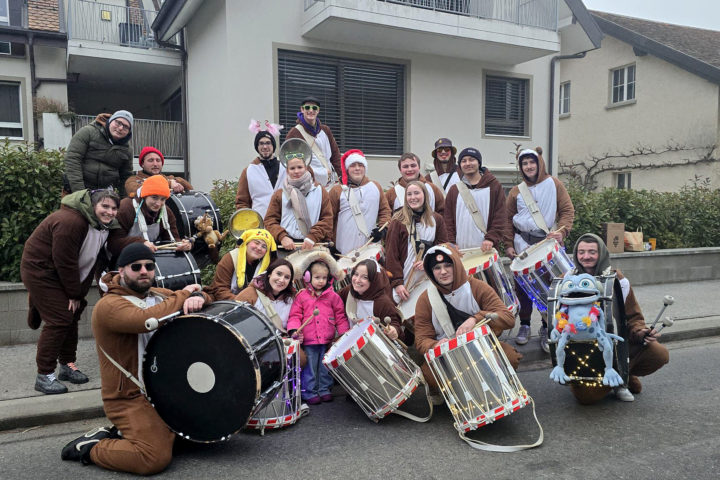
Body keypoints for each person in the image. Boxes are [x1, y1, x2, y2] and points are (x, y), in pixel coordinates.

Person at [60, 243, 209, 474]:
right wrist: (186, 293)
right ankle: (92, 447)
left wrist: (198, 295)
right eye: (136, 266)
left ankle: (122, 434)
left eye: (149, 266)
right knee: (154, 457)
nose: (143, 271)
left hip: (163, 389)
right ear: (121, 271)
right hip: (128, 397)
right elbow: (145, 319)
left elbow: (210, 292)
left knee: (206, 432)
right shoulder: (108, 305)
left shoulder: (157, 295)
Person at [21, 188, 121, 394]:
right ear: (92, 206)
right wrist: (73, 294)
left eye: (114, 208)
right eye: (105, 206)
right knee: (59, 318)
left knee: (72, 314)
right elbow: (64, 262)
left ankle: (67, 365)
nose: (110, 212)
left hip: (64, 273)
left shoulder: (102, 226)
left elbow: (89, 262)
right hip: (41, 270)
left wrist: (78, 296)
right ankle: (44, 375)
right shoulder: (71, 222)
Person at [565, 233, 669, 404]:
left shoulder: (617, 279)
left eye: (592, 252)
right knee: (586, 399)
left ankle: (622, 375)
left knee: (658, 354)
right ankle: (613, 379)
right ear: (576, 254)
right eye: (581, 252)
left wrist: (641, 332)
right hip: (584, 349)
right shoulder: (567, 280)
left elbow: (633, 316)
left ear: (602, 253)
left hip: (616, 344)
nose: (586, 257)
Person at [413, 245, 519, 403]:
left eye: (448, 265)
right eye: (437, 268)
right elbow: (421, 340)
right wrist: (435, 345)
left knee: (510, 357)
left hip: (482, 347)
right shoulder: (425, 299)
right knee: (429, 377)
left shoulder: (477, 287)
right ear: (431, 272)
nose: (443, 271)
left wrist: (476, 318)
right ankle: (447, 392)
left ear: (456, 264)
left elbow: (508, 318)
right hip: (446, 355)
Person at [505, 147, 575, 351]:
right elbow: (507, 220)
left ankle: (547, 327)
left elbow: (567, 210)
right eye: (524, 163)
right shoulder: (516, 191)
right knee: (524, 289)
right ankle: (525, 325)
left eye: (531, 162)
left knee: (549, 288)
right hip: (522, 245)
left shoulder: (554, 184)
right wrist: (508, 245)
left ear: (539, 163)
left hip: (545, 244)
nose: (528, 166)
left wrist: (562, 232)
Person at [287, 250, 349, 405]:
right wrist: (294, 330)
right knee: (310, 368)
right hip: (309, 340)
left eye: (324, 278)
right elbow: (295, 315)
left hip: (327, 339)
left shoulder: (333, 296)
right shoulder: (302, 296)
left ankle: (324, 389)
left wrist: (343, 334)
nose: (321, 281)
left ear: (329, 278)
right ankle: (310, 391)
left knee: (324, 367)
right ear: (308, 277)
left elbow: (340, 316)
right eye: (317, 277)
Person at [385, 181, 448, 304]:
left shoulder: (436, 220)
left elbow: (442, 248)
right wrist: (397, 283)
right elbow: (391, 255)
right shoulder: (398, 221)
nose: (413, 197)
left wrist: (428, 261)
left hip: (429, 276)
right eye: (409, 194)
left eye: (416, 193)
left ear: (425, 195)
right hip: (405, 278)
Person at [264, 148, 334, 252]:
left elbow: (327, 219)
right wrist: (282, 236)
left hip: (313, 245)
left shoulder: (320, 191)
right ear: (287, 171)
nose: (296, 171)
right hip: (285, 247)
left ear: (306, 168)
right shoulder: (279, 194)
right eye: (292, 168)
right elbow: (270, 220)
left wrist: (312, 237)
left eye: (300, 167)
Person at [109, 175, 191, 257]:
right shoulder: (125, 208)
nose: (158, 204)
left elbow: (171, 240)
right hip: (122, 259)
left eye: (163, 199)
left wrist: (182, 245)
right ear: (144, 196)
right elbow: (114, 244)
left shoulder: (166, 212)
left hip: (149, 259)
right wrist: (140, 243)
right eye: (154, 197)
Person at [328, 149, 392, 255]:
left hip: (370, 248)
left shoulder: (375, 186)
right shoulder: (337, 190)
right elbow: (329, 219)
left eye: (360, 165)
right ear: (347, 169)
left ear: (365, 168)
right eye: (353, 165)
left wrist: (382, 230)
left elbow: (385, 211)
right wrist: (330, 242)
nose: (357, 168)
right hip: (343, 249)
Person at [443, 147, 507, 251]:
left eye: (472, 159)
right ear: (460, 165)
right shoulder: (454, 190)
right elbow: (448, 220)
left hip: (486, 248)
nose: (468, 163)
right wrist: (451, 242)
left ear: (479, 163)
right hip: (460, 251)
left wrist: (491, 238)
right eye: (464, 161)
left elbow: (500, 216)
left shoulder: (493, 187)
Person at [64, 111, 134, 197]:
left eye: (126, 127)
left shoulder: (127, 150)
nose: (120, 128)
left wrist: (124, 201)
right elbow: (72, 160)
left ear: (129, 132)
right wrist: (80, 194)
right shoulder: (88, 132)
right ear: (110, 121)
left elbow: (126, 177)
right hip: (77, 189)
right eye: (118, 122)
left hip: (105, 194)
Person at [338, 259, 403, 341]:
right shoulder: (348, 291)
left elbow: (395, 323)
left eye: (364, 277)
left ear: (373, 280)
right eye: (356, 274)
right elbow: (333, 301)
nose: (357, 280)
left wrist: (393, 330)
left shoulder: (382, 302)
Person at [204, 228, 277, 301]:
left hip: (253, 305)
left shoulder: (266, 265)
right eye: (256, 243)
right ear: (247, 242)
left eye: (264, 246)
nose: (259, 248)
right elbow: (220, 289)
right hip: (228, 303)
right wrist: (241, 303)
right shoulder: (230, 258)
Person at [285, 96, 342, 188]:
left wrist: (342, 177)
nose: (311, 111)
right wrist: (320, 173)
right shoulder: (294, 133)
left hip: (330, 184)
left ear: (318, 111)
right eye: (307, 107)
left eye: (314, 108)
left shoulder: (326, 130)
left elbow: (335, 156)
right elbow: (291, 161)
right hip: (309, 186)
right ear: (302, 109)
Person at [235, 120, 286, 217]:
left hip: (284, 223)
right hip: (260, 225)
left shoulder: (285, 167)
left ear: (273, 146)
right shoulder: (249, 171)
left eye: (268, 143)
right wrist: (249, 222)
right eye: (261, 143)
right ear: (257, 147)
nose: (265, 146)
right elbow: (242, 202)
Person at [235, 258, 296, 334]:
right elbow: (233, 319)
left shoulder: (292, 299)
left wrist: (294, 332)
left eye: (287, 277)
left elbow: (295, 319)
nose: (281, 280)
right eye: (279, 274)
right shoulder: (250, 293)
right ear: (269, 274)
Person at [124, 146, 193, 199]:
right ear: (142, 164)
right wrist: (168, 183)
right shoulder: (132, 180)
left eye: (158, 160)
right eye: (151, 160)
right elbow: (135, 191)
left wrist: (176, 182)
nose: (155, 164)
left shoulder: (169, 178)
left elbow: (191, 190)